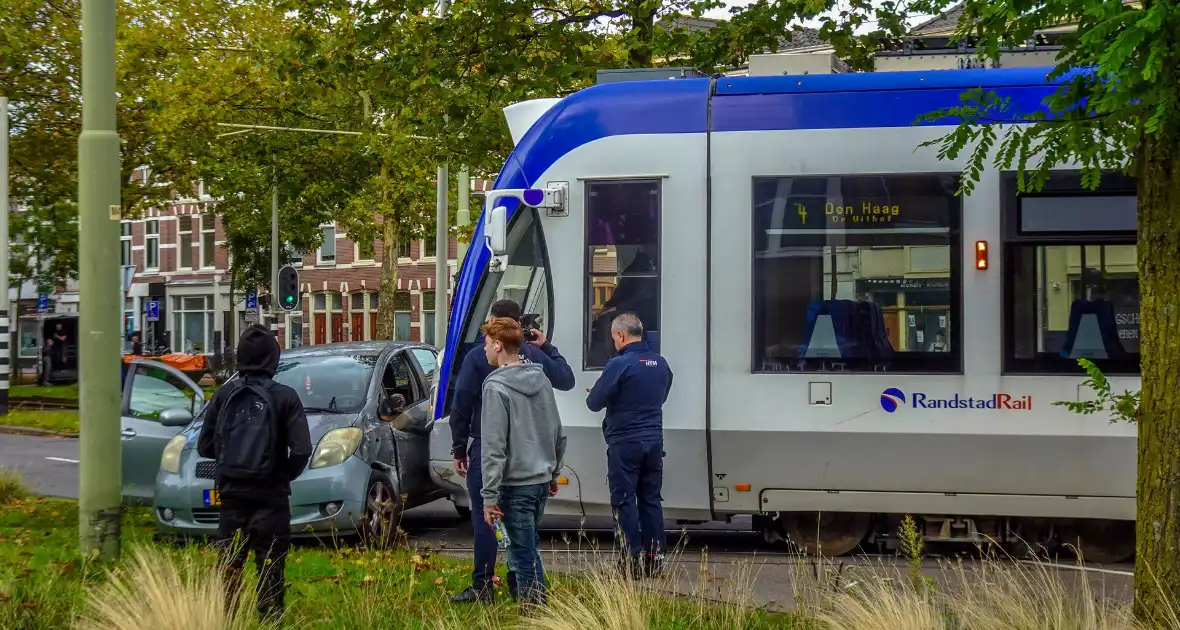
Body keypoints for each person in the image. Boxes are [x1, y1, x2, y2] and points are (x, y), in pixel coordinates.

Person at [450, 299, 575, 604]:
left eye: (489, 337)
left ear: (497, 338)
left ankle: (488, 587)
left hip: (501, 463)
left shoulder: (489, 374)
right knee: (526, 537)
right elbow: (564, 394)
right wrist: (553, 471)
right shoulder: (536, 364)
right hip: (537, 468)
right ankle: (521, 586)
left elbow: (464, 406)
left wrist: (458, 448)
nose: (484, 345)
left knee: (488, 521)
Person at [197, 324, 311, 621]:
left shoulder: (223, 395)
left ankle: (228, 619)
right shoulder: (285, 397)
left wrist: (232, 460)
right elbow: (301, 450)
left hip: (231, 496)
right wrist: (282, 474)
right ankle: (270, 620)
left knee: (230, 565)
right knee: (271, 565)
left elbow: (204, 446)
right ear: (274, 358)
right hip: (271, 498)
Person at [479, 317, 566, 613]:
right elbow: (557, 432)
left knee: (522, 552)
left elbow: (494, 448)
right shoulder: (541, 379)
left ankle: (534, 613)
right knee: (528, 547)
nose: (485, 350)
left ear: (499, 345)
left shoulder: (495, 388)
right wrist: (553, 473)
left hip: (515, 484)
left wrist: (488, 497)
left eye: (488, 344)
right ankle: (542, 609)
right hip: (541, 480)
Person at [586, 313, 674, 578]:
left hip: (625, 442)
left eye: (614, 337)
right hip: (654, 442)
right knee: (651, 500)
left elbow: (594, 403)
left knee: (624, 501)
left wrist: (600, 393)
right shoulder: (660, 364)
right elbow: (662, 395)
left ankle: (631, 560)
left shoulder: (618, 364)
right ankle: (655, 558)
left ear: (621, 336)